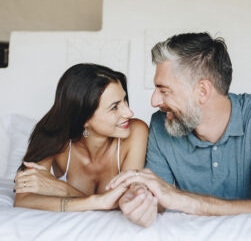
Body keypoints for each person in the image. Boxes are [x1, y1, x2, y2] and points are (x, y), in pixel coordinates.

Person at [108, 32, 251, 226]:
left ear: (202, 91)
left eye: (164, 90)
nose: (154, 101)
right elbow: (157, 199)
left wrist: (183, 200)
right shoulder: (162, 124)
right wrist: (138, 199)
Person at [14, 63, 155, 217]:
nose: (129, 112)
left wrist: (61, 189)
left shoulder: (136, 131)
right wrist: (97, 202)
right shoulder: (50, 134)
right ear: (83, 117)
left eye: (124, 100)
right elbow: (23, 199)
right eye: (115, 107)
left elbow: (128, 201)